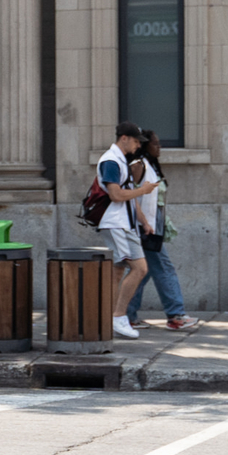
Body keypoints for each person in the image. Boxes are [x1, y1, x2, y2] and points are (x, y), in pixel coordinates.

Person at [122, 128, 192, 330]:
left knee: (143, 272)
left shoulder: (151, 166)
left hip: (153, 228)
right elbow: (130, 196)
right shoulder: (138, 165)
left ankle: (128, 314)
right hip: (144, 229)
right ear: (144, 146)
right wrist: (144, 222)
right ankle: (176, 315)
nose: (159, 147)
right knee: (164, 268)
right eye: (156, 144)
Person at [94, 121, 156, 340]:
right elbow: (117, 195)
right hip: (116, 223)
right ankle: (119, 317)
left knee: (117, 271)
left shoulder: (121, 161)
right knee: (139, 269)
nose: (138, 146)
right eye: (136, 141)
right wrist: (143, 190)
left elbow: (128, 197)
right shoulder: (111, 161)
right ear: (124, 138)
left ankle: (106, 318)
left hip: (122, 223)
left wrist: (143, 221)